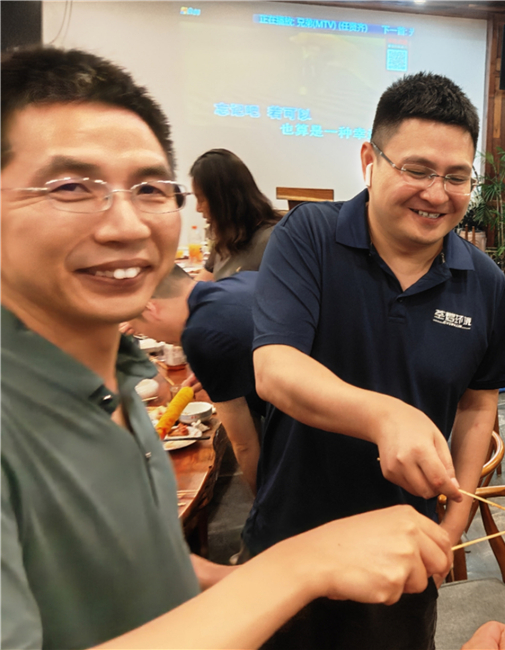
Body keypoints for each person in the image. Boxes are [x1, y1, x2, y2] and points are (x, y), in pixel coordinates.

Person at [1, 47, 452, 649]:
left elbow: (135, 580)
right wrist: (301, 563)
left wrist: (278, 582)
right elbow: (275, 369)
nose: (126, 225)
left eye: (150, 189)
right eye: (70, 187)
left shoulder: (114, 388)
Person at [249, 72, 505, 648]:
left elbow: (478, 404)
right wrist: (384, 417)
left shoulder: (485, 282)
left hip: (406, 553)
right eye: (417, 170)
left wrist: (457, 516)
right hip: (295, 537)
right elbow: (275, 368)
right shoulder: (309, 237)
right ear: (369, 161)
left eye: (456, 177)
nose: (437, 194)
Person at [127, 265, 265, 492]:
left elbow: (244, 445)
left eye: (138, 328)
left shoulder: (200, 336)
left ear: (149, 308)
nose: (151, 337)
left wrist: (262, 505)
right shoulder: (242, 280)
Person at [190, 148, 281, 280]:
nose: (198, 208)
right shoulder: (227, 238)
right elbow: (201, 283)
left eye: (201, 199)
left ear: (222, 200)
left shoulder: (272, 241)